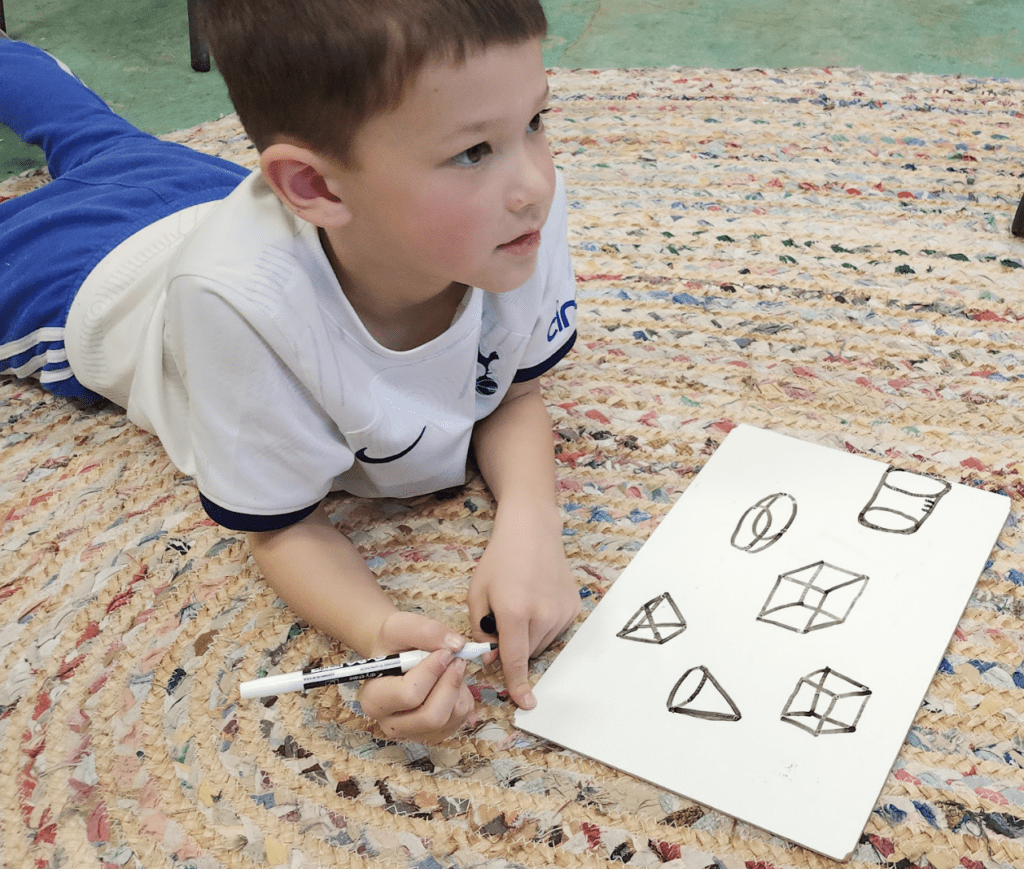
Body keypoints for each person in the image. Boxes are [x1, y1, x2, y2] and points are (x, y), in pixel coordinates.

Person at [0, 0, 581, 744]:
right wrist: (375, 629)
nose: (534, 180)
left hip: (210, 201)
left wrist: (532, 522)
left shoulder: (514, 220)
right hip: (86, 277)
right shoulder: (233, 304)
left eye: (535, 121)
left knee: (96, 136)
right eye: (473, 152)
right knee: (95, 148)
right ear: (316, 187)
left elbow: (510, 389)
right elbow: (282, 528)